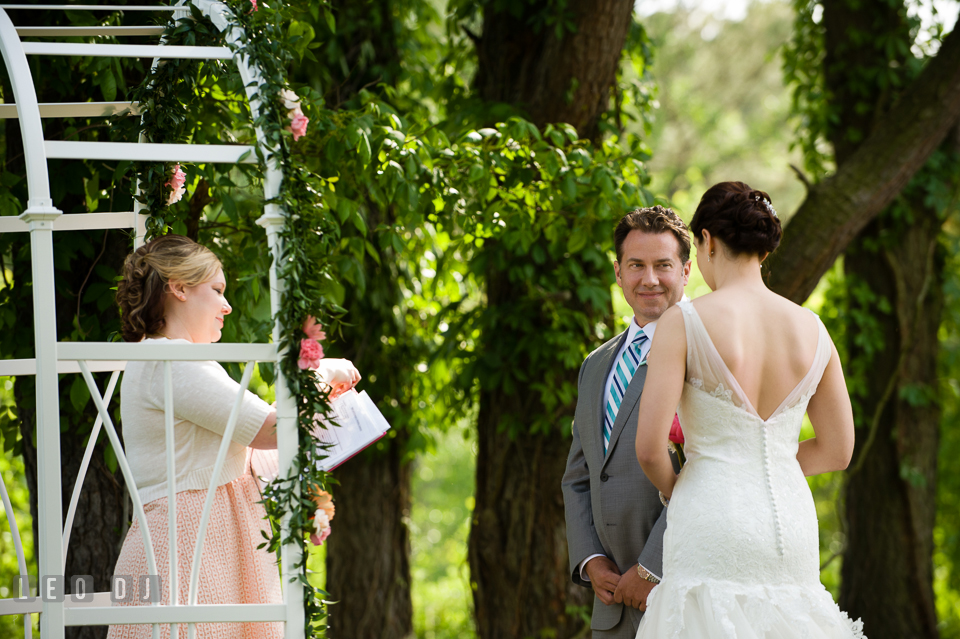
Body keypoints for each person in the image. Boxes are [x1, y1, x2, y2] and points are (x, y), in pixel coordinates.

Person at [634, 182, 864, 637]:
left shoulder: (685, 321)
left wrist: (681, 486)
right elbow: (838, 450)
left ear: (706, 241)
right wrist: (770, 465)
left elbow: (648, 448)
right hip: (790, 527)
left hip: (711, 519)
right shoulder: (813, 329)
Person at [108, 234, 359, 639]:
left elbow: (248, 447)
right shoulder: (172, 362)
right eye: (218, 290)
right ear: (179, 287)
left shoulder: (179, 360)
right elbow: (271, 429)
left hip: (209, 546)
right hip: (188, 554)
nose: (227, 305)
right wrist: (319, 375)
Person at [562, 206, 690, 638]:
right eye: (636, 265)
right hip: (612, 602)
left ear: (687, 271)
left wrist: (653, 566)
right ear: (618, 272)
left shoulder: (708, 355)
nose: (649, 279)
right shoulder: (595, 365)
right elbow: (579, 476)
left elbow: (710, 470)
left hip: (680, 587)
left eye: (663, 266)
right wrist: (590, 560)